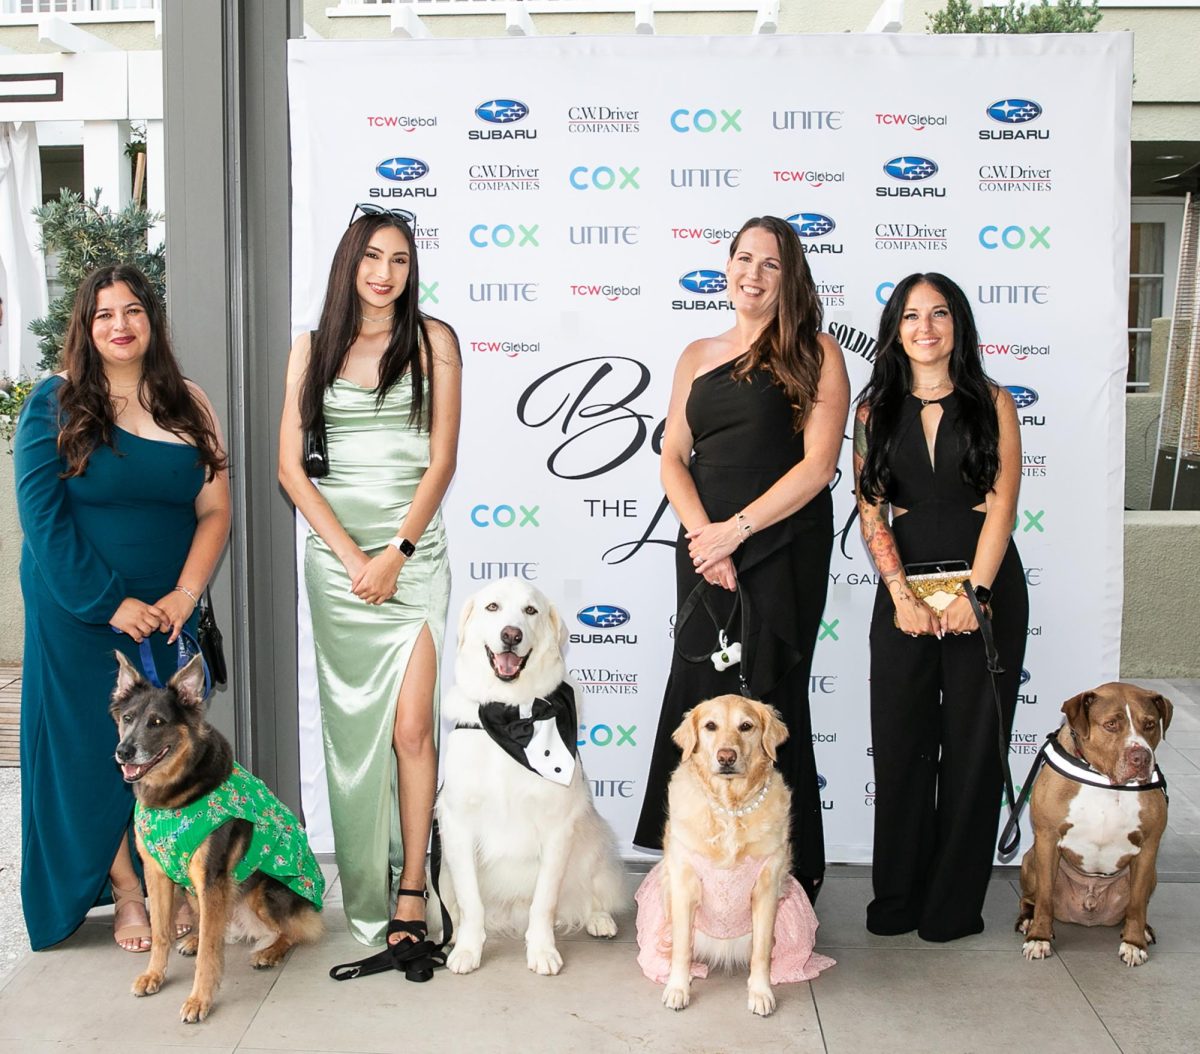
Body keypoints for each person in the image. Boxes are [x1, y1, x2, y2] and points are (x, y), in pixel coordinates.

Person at [633, 215, 850, 903]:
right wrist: (706, 539)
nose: (752, 274)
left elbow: (818, 467)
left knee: (769, 702)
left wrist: (740, 532)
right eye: (743, 259)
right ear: (727, 267)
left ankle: (782, 882)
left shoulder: (817, 352)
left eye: (770, 264)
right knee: (702, 703)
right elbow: (672, 455)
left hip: (782, 546)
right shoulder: (697, 353)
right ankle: (695, 879)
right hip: (703, 551)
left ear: (791, 278)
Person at [14, 263, 230, 952]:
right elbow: (42, 518)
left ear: (151, 321)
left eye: (133, 310)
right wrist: (113, 604)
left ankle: (166, 876)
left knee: (164, 749)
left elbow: (215, 509)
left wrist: (182, 597)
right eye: (105, 314)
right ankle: (128, 893)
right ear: (85, 325)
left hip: (164, 616)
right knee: (93, 752)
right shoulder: (52, 403)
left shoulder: (189, 402)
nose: (120, 324)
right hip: (78, 615)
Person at [278, 204, 461, 950]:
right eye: (373, 258)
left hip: (412, 560)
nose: (386, 274)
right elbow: (291, 469)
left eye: (401, 260)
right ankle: (367, 882)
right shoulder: (311, 348)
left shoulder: (435, 341)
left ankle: (412, 885)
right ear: (349, 263)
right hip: (337, 566)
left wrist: (396, 554)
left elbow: (441, 460)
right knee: (355, 733)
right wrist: (355, 560)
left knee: (413, 728)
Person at [853, 272, 1028, 942]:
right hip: (904, 595)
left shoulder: (994, 402)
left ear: (959, 324)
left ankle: (952, 907)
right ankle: (896, 898)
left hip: (984, 593)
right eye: (910, 316)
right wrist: (901, 596)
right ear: (895, 330)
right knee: (900, 746)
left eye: (939, 314)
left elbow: (1002, 506)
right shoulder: (873, 412)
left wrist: (975, 596)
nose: (925, 328)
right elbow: (872, 511)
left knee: (974, 750)